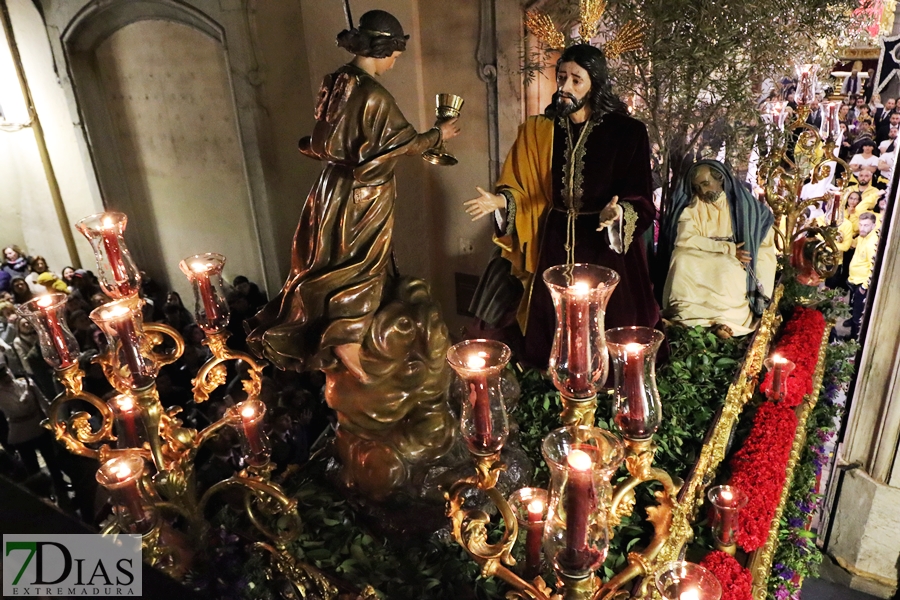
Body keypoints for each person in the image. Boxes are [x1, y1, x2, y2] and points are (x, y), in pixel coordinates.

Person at [246, 10, 459, 381]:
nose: (395, 62)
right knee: (361, 265)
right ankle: (345, 337)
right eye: (395, 54)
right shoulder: (372, 93)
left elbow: (321, 141)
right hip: (364, 195)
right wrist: (440, 133)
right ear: (384, 48)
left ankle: (344, 331)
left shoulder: (337, 81)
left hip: (331, 189)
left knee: (332, 259)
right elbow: (404, 143)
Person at [464, 43, 659, 368]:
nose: (565, 88)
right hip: (555, 241)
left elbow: (640, 195)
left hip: (604, 246)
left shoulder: (627, 133)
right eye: (562, 78)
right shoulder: (541, 130)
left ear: (595, 82)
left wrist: (619, 213)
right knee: (550, 318)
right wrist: (502, 200)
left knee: (611, 324)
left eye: (576, 80)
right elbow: (525, 188)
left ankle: (602, 377)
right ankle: (555, 371)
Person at [659, 160, 776, 337]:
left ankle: (725, 321)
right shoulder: (694, 206)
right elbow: (684, 238)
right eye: (697, 187)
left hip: (736, 259)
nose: (703, 191)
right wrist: (726, 248)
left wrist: (762, 291)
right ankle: (683, 318)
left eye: (706, 184)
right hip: (703, 253)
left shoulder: (746, 208)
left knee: (727, 268)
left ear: (720, 178)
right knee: (682, 259)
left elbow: (763, 250)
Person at [846, 212, 878, 339]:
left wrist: (864, 287)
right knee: (854, 311)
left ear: (873, 225)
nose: (862, 228)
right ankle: (852, 335)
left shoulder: (872, 243)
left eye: (866, 225)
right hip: (854, 280)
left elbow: (873, 267)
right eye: (860, 224)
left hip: (862, 284)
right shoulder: (862, 237)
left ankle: (854, 343)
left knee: (858, 316)